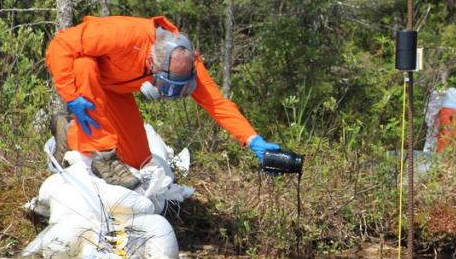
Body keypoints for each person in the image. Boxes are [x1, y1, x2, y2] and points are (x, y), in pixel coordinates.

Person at [46, 15, 282, 189]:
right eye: (164, 84)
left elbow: (217, 104)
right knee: (83, 64)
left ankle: (69, 131)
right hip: (87, 85)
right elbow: (61, 44)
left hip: (116, 92)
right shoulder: (124, 34)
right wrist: (71, 96)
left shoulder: (187, 63)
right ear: (151, 61)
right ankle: (101, 154)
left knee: (137, 161)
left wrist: (253, 140)